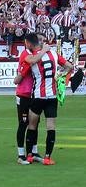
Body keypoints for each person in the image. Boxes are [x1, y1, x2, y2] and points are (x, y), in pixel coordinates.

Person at [23, 33, 74, 165]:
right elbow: (69, 66)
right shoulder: (54, 54)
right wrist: (60, 75)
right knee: (51, 126)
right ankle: (47, 157)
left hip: (38, 95)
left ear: (30, 43)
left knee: (32, 125)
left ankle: (29, 155)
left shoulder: (33, 55)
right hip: (52, 96)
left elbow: (32, 61)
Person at [13, 34, 44, 165]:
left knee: (35, 123)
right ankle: (21, 155)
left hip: (34, 94)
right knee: (23, 123)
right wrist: (45, 50)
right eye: (40, 40)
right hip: (23, 95)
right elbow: (31, 62)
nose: (42, 43)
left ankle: (34, 152)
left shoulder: (36, 54)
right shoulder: (26, 53)